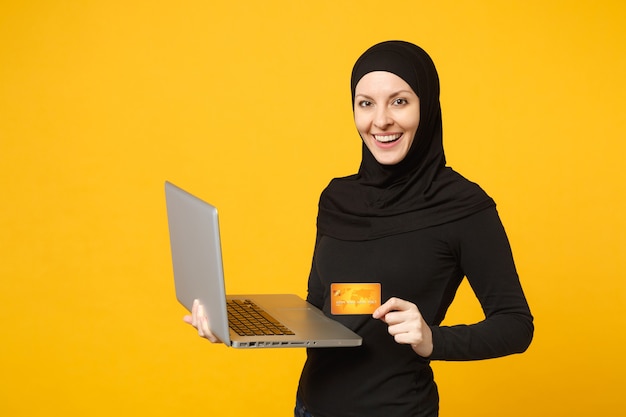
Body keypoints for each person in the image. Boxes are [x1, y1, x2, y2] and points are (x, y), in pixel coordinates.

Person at [185, 40, 534, 417]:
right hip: (310, 408)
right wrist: (237, 327)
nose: (380, 120)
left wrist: (433, 339)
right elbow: (321, 305)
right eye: (365, 103)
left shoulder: (462, 206)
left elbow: (516, 325)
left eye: (399, 101)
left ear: (427, 106)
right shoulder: (337, 198)